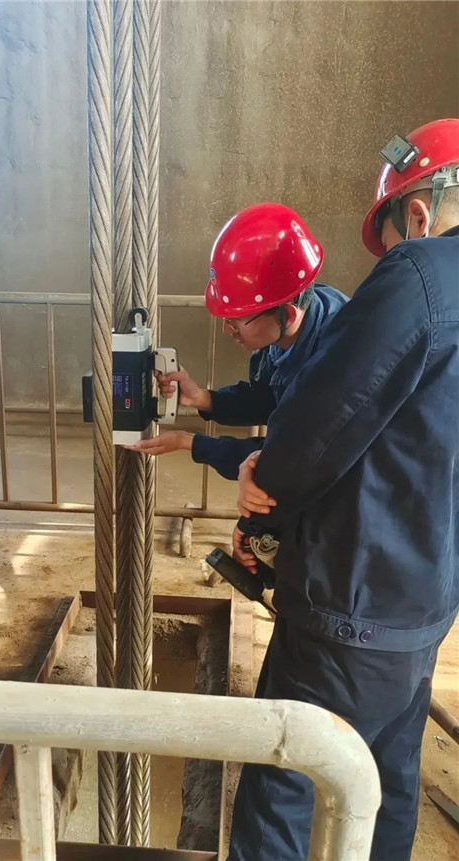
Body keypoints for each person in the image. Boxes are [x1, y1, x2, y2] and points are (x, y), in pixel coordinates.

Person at [229, 117, 459, 861]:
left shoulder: (422, 273)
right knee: (383, 782)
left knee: (286, 788)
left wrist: (260, 490)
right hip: (425, 605)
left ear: (417, 214)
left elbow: (321, 426)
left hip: (352, 607)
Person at [128, 202, 347, 480]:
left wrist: (189, 442)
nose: (227, 330)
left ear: (288, 314)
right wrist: (204, 399)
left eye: (237, 320)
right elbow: (270, 401)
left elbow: (289, 458)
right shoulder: (290, 324)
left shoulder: (338, 362)